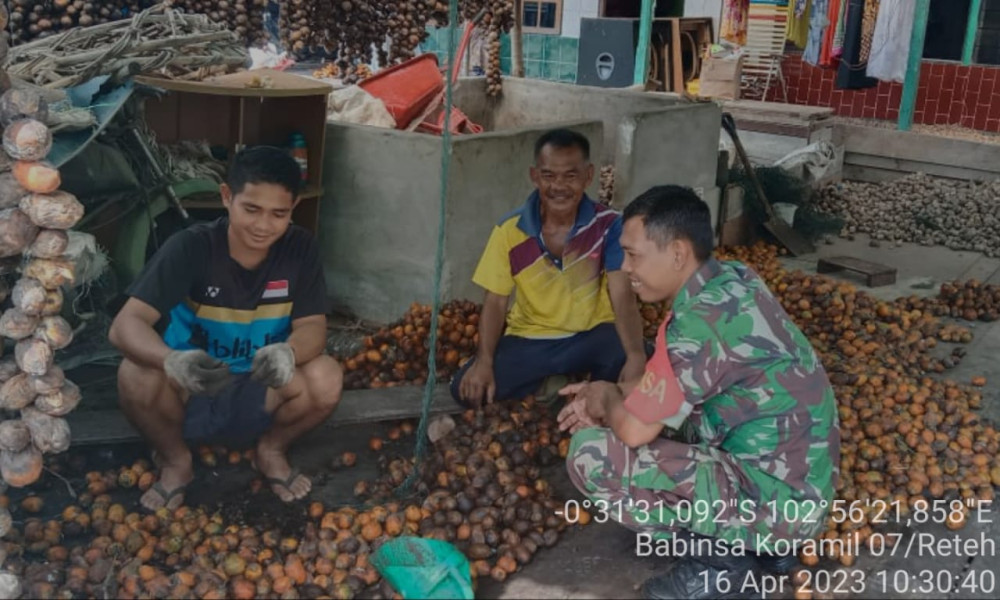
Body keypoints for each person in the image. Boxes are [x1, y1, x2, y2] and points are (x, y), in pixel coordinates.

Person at [558, 185, 839, 600]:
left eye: (634, 254)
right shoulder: (731, 281)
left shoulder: (698, 324)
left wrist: (607, 401)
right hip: (801, 490)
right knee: (661, 419)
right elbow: (662, 389)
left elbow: (635, 431)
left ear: (676, 253)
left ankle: (719, 562)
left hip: (781, 506)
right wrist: (609, 392)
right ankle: (769, 549)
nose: (625, 267)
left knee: (590, 454)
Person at [109, 146, 343, 511]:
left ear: (293, 208)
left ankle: (271, 449)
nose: (263, 225)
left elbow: (312, 325)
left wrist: (289, 352)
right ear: (226, 197)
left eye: (278, 214)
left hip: (260, 382)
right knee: (135, 373)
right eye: (251, 209)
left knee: (326, 376)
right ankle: (176, 462)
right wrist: (173, 360)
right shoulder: (191, 247)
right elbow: (125, 326)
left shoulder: (300, 249)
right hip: (193, 384)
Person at [450, 128, 647, 408]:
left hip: (593, 335)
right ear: (534, 176)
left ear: (589, 176)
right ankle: (559, 385)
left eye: (570, 176)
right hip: (532, 338)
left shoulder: (610, 226)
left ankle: (571, 388)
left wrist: (636, 355)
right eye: (548, 176)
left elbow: (622, 295)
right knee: (465, 389)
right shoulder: (509, 230)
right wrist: (484, 361)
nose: (559, 186)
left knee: (633, 361)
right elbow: (495, 301)